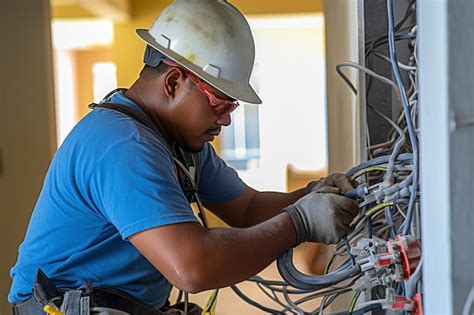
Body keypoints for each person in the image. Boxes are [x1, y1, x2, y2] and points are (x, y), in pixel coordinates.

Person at [9, 0, 359, 314]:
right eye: (220, 102)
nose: (226, 118)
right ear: (174, 82)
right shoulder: (122, 144)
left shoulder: (178, 143)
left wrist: (312, 194)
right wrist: (298, 224)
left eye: (232, 106)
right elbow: (193, 268)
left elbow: (247, 209)